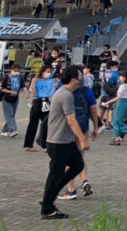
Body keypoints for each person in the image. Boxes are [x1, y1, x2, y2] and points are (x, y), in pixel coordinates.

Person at [40, 66, 89, 220]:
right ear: (74, 79)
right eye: (80, 76)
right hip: (58, 142)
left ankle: (50, 197)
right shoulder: (65, 95)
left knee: (77, 165)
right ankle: (47, 208)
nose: (81, 80)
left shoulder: (64, 93)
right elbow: (71, 120)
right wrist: (82, 139)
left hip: (64, 141)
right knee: (55, 175)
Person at [61, 70, 99, 200]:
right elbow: (93, 110)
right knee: (80, 157)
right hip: (83, 128)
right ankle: (84, 180)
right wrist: (96, 127)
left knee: (67, 161)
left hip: (67, 129)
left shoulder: (64, 90)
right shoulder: (87, 91)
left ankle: (71, 190)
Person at [24, 65, 56, 152]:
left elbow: (52, 91)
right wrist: (34, 85)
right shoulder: (35, 80)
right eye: (47, 72)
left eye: (50, 72)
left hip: (46, 101)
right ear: (43, 71)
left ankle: (46, 144)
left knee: (47, 124)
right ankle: (29, 144)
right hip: (37, 101)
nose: (48, 74)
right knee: (33, 124)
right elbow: (32, 93)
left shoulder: (50, 81)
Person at [103, 72, 127, 144]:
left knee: (115, 121)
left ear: (124, 77)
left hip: (121, 103)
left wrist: (108, 102)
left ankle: (122, 135)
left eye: (121, 76)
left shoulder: (122, 86)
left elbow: (118, 97)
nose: (119, 78)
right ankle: (119, 136)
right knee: (120, 120)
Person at [0, 63, 22, 137]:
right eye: (15, 70)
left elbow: (23, 85)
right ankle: (13, 130)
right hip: (6, 98)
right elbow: (1, 88)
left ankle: (4, 130)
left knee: (12, 115)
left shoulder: (19, 77)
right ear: (11, 70)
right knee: (9, 115)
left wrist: (27, 93)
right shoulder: (6, 77)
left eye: (18, 71)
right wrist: (11, 92)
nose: (17, 72)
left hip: (15, 98)